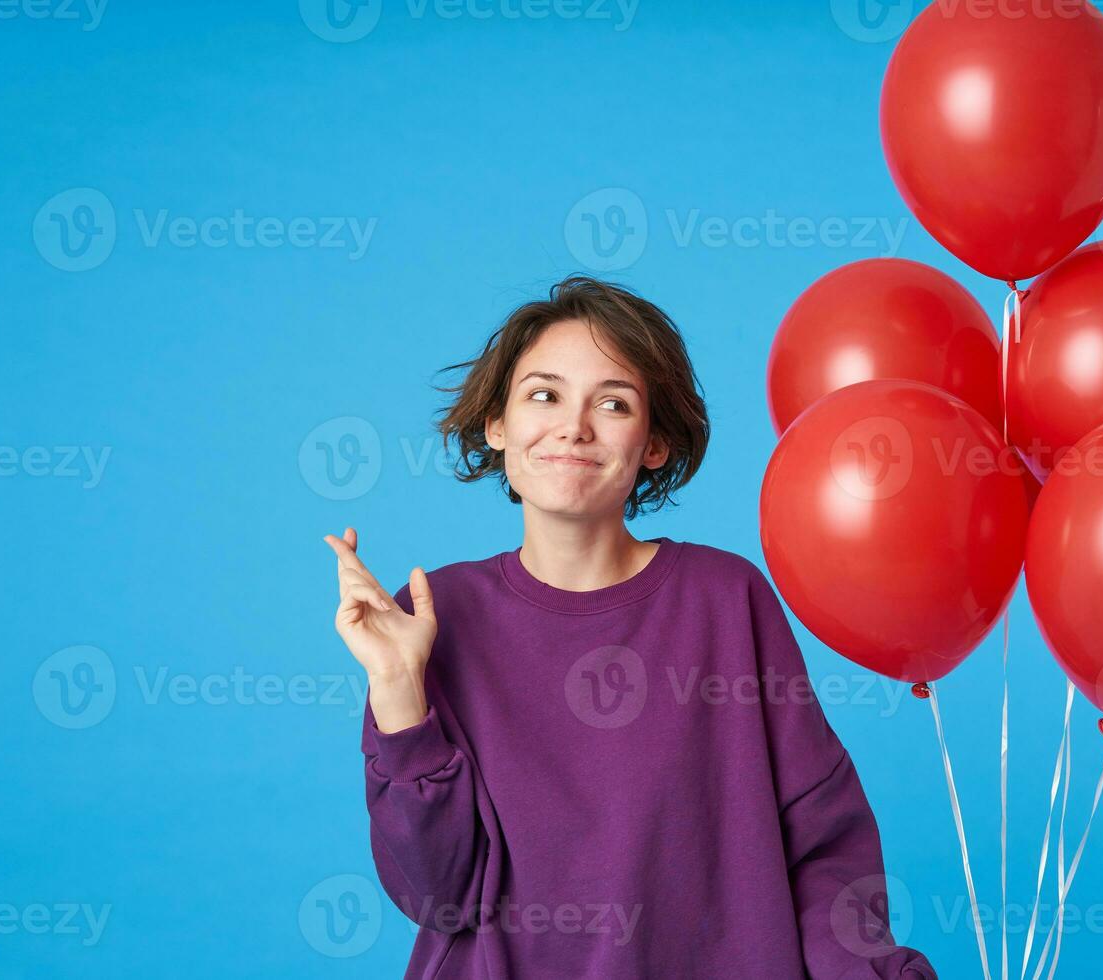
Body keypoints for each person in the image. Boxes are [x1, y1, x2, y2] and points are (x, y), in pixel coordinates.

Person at [323, 276, 938, 979]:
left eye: (613, 403)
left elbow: (822, 843)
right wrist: (400, 692)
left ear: (653, 444)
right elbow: (438, 898)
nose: (574, 427)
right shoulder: (434, 615)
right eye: (544, 395)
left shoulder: (725, 599)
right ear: (498, 425)